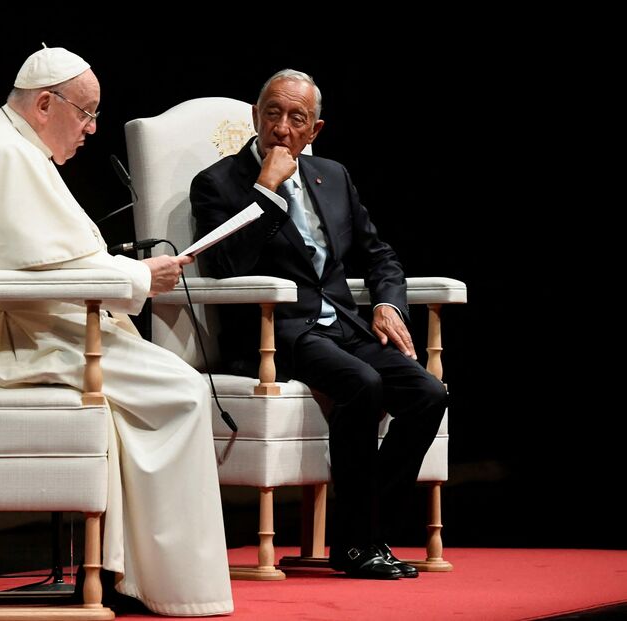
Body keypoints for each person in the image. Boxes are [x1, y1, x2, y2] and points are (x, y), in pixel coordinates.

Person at [0, 45, 233, 615]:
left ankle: (132, 572)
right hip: (4, 337)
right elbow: (47, 269)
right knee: (182, 392)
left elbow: (48, 260)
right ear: (45, 103)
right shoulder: (6, 151)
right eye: (86, 112)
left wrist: (128, 275)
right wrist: (138, 275)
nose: (91, 129)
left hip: (35, 320)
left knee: (174, 384)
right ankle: (165, 586)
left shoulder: (11, 143)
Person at [190, 69, 447, 580]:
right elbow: (225, 269)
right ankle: (358, 545)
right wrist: (265, 189)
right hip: (277, 331)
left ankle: (365, 529)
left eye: (296, 118)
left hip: (341, 325)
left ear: (314, 130)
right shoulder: (218, 183)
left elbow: (382, 257)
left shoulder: (334, 176)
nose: (282, 128)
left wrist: (388, 305)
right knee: (362, 384)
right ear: (255, 116)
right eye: (272, 114)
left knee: (427, 393)